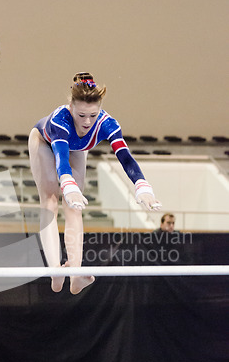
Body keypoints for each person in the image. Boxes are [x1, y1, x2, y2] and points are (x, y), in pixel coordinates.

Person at [28, 72, 161, 294]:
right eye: (81, 115)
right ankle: (55, 271)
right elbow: (61, 159)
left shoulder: (107, 123)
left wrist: (142, 186)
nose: (87, 122)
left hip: (78, 149)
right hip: (44, 141)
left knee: (75, 206)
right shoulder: (60, 121)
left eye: (93, 115)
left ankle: (75, 273)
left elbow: (125, 157)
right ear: (71, 108)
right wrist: (68, 186)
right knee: (50, 199)